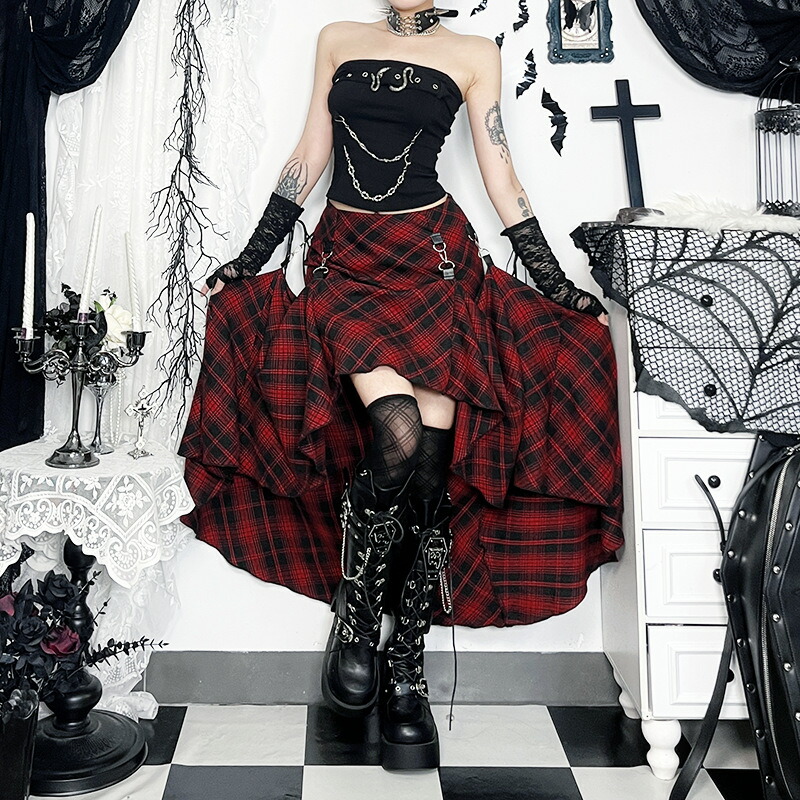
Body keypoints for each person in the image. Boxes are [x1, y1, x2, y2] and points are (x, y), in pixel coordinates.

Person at [182, 0, 622, 772]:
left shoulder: (474, 53)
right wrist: (251, 258)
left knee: (428, 473)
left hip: (436, 265)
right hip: (347, 263)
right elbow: (308, 154)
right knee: (397, 430)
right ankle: (356, 616)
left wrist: (554, 284)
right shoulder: (338, 40)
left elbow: (500, 172)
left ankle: (407, 661)